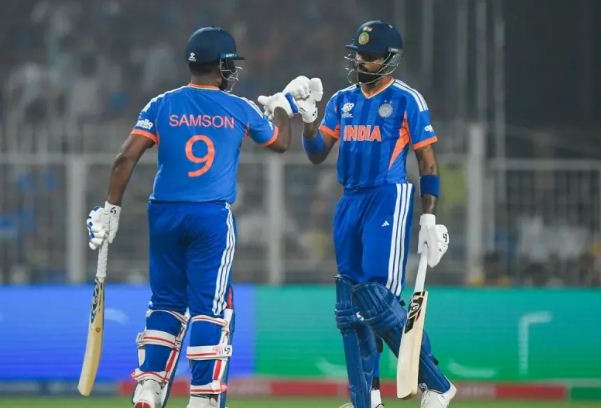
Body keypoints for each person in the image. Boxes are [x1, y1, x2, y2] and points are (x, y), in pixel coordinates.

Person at [85, 26, 311, 408]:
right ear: (222, 66)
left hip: (164, 213)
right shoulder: (240, 108)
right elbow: (280, 142)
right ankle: (203, 395)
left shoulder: (161, 104)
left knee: (166, 303)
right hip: (210, 216)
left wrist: (111, 209)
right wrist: (282, 108)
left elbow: (125, 157)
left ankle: (149, 384)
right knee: (211, 307)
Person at [299, 20, 455, 408]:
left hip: (387, 196)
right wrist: (308, 120)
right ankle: (365, 399)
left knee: (375, 297)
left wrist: (429, 218)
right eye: (358, 55)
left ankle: (436, 384)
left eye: (369, 57)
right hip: (350, 199)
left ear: (388, 60)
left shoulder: (406, 99)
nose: (360, 62)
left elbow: (427, 161)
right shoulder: (341, 100)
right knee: (349, 304)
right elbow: (317, 153)